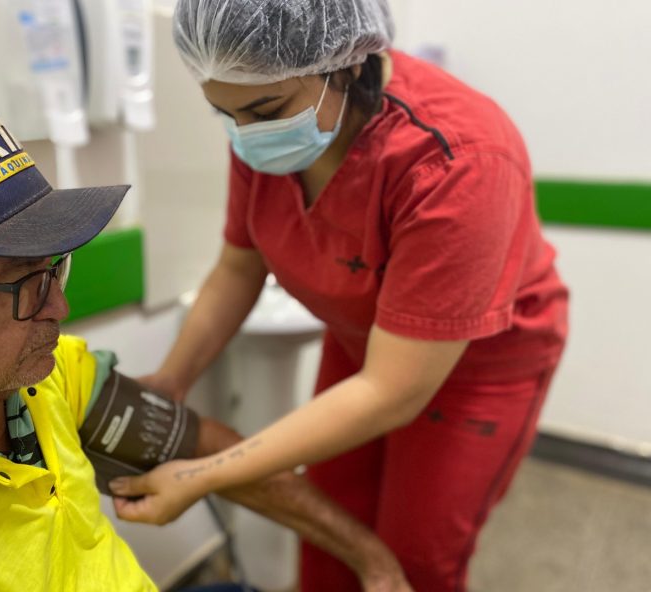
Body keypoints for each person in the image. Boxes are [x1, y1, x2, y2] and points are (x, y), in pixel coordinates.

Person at [0, 92, 412, 591]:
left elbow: (196, 445)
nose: (60, 306)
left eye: (56, 267)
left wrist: (373, 558)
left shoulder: (30, 374)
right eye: (20, 283)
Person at [110, 1, 570, 591]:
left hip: (479, 368)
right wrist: (172, 380)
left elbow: (390, 390)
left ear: (348, 65)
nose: (245, 135)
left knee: (413, 560)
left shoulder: (457, 160)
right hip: (362, 346)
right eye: (223, 114)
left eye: (264, 110)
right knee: (329, 528)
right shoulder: (261, 128)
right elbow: (236, 268)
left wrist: (200, 476)